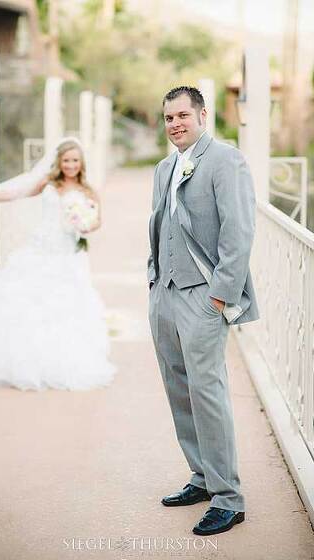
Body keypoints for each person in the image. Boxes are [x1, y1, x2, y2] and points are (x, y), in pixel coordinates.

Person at [147, 86, 258, 536]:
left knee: (207, 392)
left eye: (181, 116)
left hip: (204, 297)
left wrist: (220, 296)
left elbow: (239, 229)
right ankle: (203, 477)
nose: (174, 124)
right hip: (165, 295)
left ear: (202, 115)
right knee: (178, 388)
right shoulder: (163, 167)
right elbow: (159, 223)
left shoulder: (225, 159)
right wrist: (154, 281)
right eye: (168, 117)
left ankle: (229, 498)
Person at [0, 138, 115, 390]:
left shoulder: (88, 191)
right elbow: (14, 193)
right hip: (39, 250)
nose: (71, 165)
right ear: (59, 162)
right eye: (66, 160)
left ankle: (60, 364)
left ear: (81, 162)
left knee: (63, 309)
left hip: (66, 255)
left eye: (75, 160)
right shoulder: (48, 183)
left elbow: (97, 221)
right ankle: (18, 362)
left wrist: (84, 224)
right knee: (25, 303)